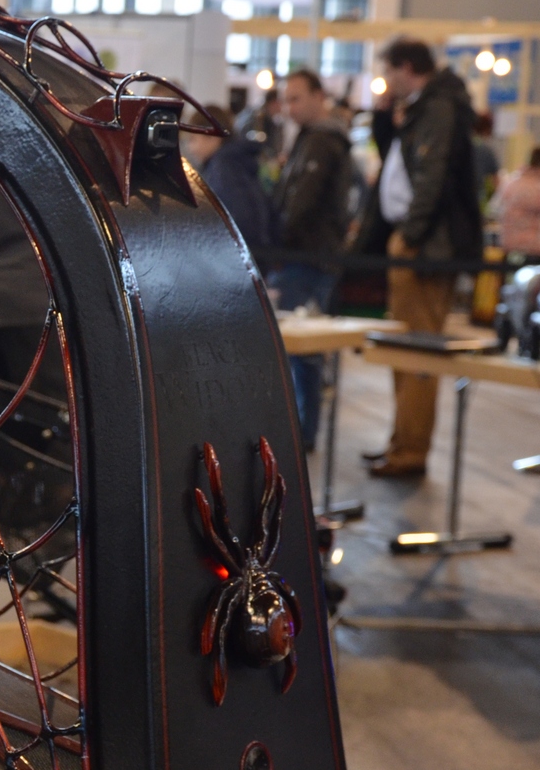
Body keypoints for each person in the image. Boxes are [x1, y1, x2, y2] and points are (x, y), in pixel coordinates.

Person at [353, 38, 483, 478]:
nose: (386, 80)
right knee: (403, 351)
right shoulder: (422, 107)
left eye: (389, 71)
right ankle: (400, 443)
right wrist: (384, 115)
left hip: (425, 247)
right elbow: (400, 159)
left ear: (407, 67)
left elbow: (432, 177)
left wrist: (410, 236)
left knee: (419, 355)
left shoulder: (438, 107)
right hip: (414, 242)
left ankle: (410, 452)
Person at [266, 69, 352, 451]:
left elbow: (303, 202)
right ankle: (301, 429)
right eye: (287, 99)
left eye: (297, 98)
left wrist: (279, 242)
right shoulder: (310, 138)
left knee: (301, 349)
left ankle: (302, 431)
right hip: (303, 255)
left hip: (307, 257)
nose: (290, 107)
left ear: (320, 96)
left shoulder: (323, 141)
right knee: (301, 349)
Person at [181, 105, 274, 258]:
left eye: (193, 140)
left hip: (244, 257)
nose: (190, 148)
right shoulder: (231, 161)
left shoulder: (223, 168)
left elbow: (238, 218)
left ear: (213, 137)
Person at [490, 145, 540, 260]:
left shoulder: (512, 182)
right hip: (532, 250)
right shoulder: (536, 186)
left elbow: (495, 207)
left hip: (508, 245)